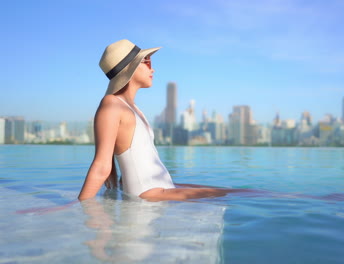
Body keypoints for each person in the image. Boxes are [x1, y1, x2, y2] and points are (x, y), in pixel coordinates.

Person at [78, 39, 243, 202]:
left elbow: (132, 158)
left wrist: (122, 186)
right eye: (147, 62)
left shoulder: (133, 108)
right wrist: (80, 207)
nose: (153, 69)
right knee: (243, 194)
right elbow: (102, 166)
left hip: (159, 187)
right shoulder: (111, 104)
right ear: (131, 68)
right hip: (148, 192)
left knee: (240, 192)